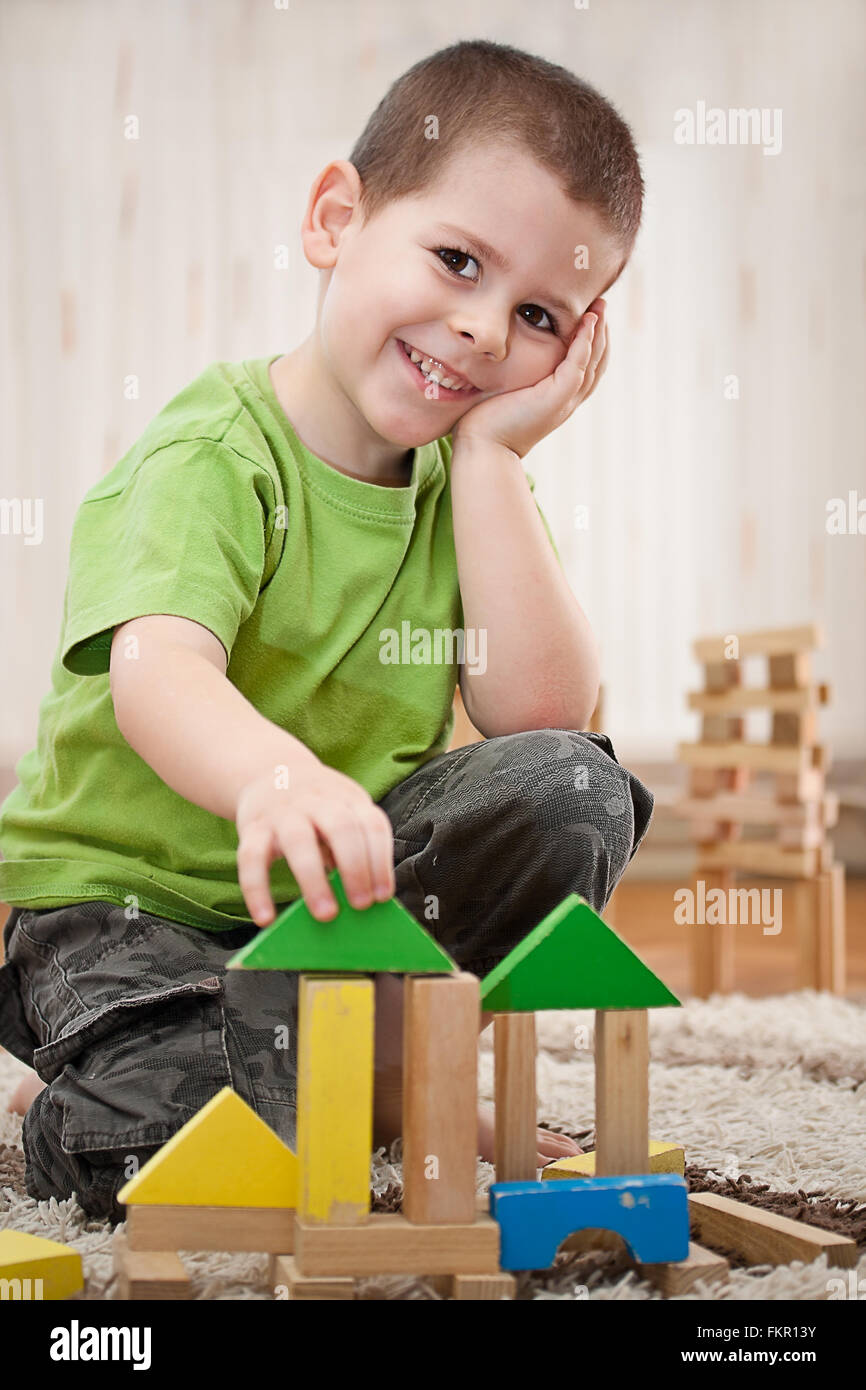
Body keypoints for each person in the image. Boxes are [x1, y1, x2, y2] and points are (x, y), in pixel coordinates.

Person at [0, 39, 653, 1222]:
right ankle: (94, 1080)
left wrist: (496, 459)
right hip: (129, 911)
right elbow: (158, 671)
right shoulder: (216, 452)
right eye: (455, 260)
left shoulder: (469, 483)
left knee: (576, 788)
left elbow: (543, 716)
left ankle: (377, 1069)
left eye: (537, 314)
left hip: (330, 915)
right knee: (183, 1139)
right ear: (334, 218)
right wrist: (274, 777)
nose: (479, 330)